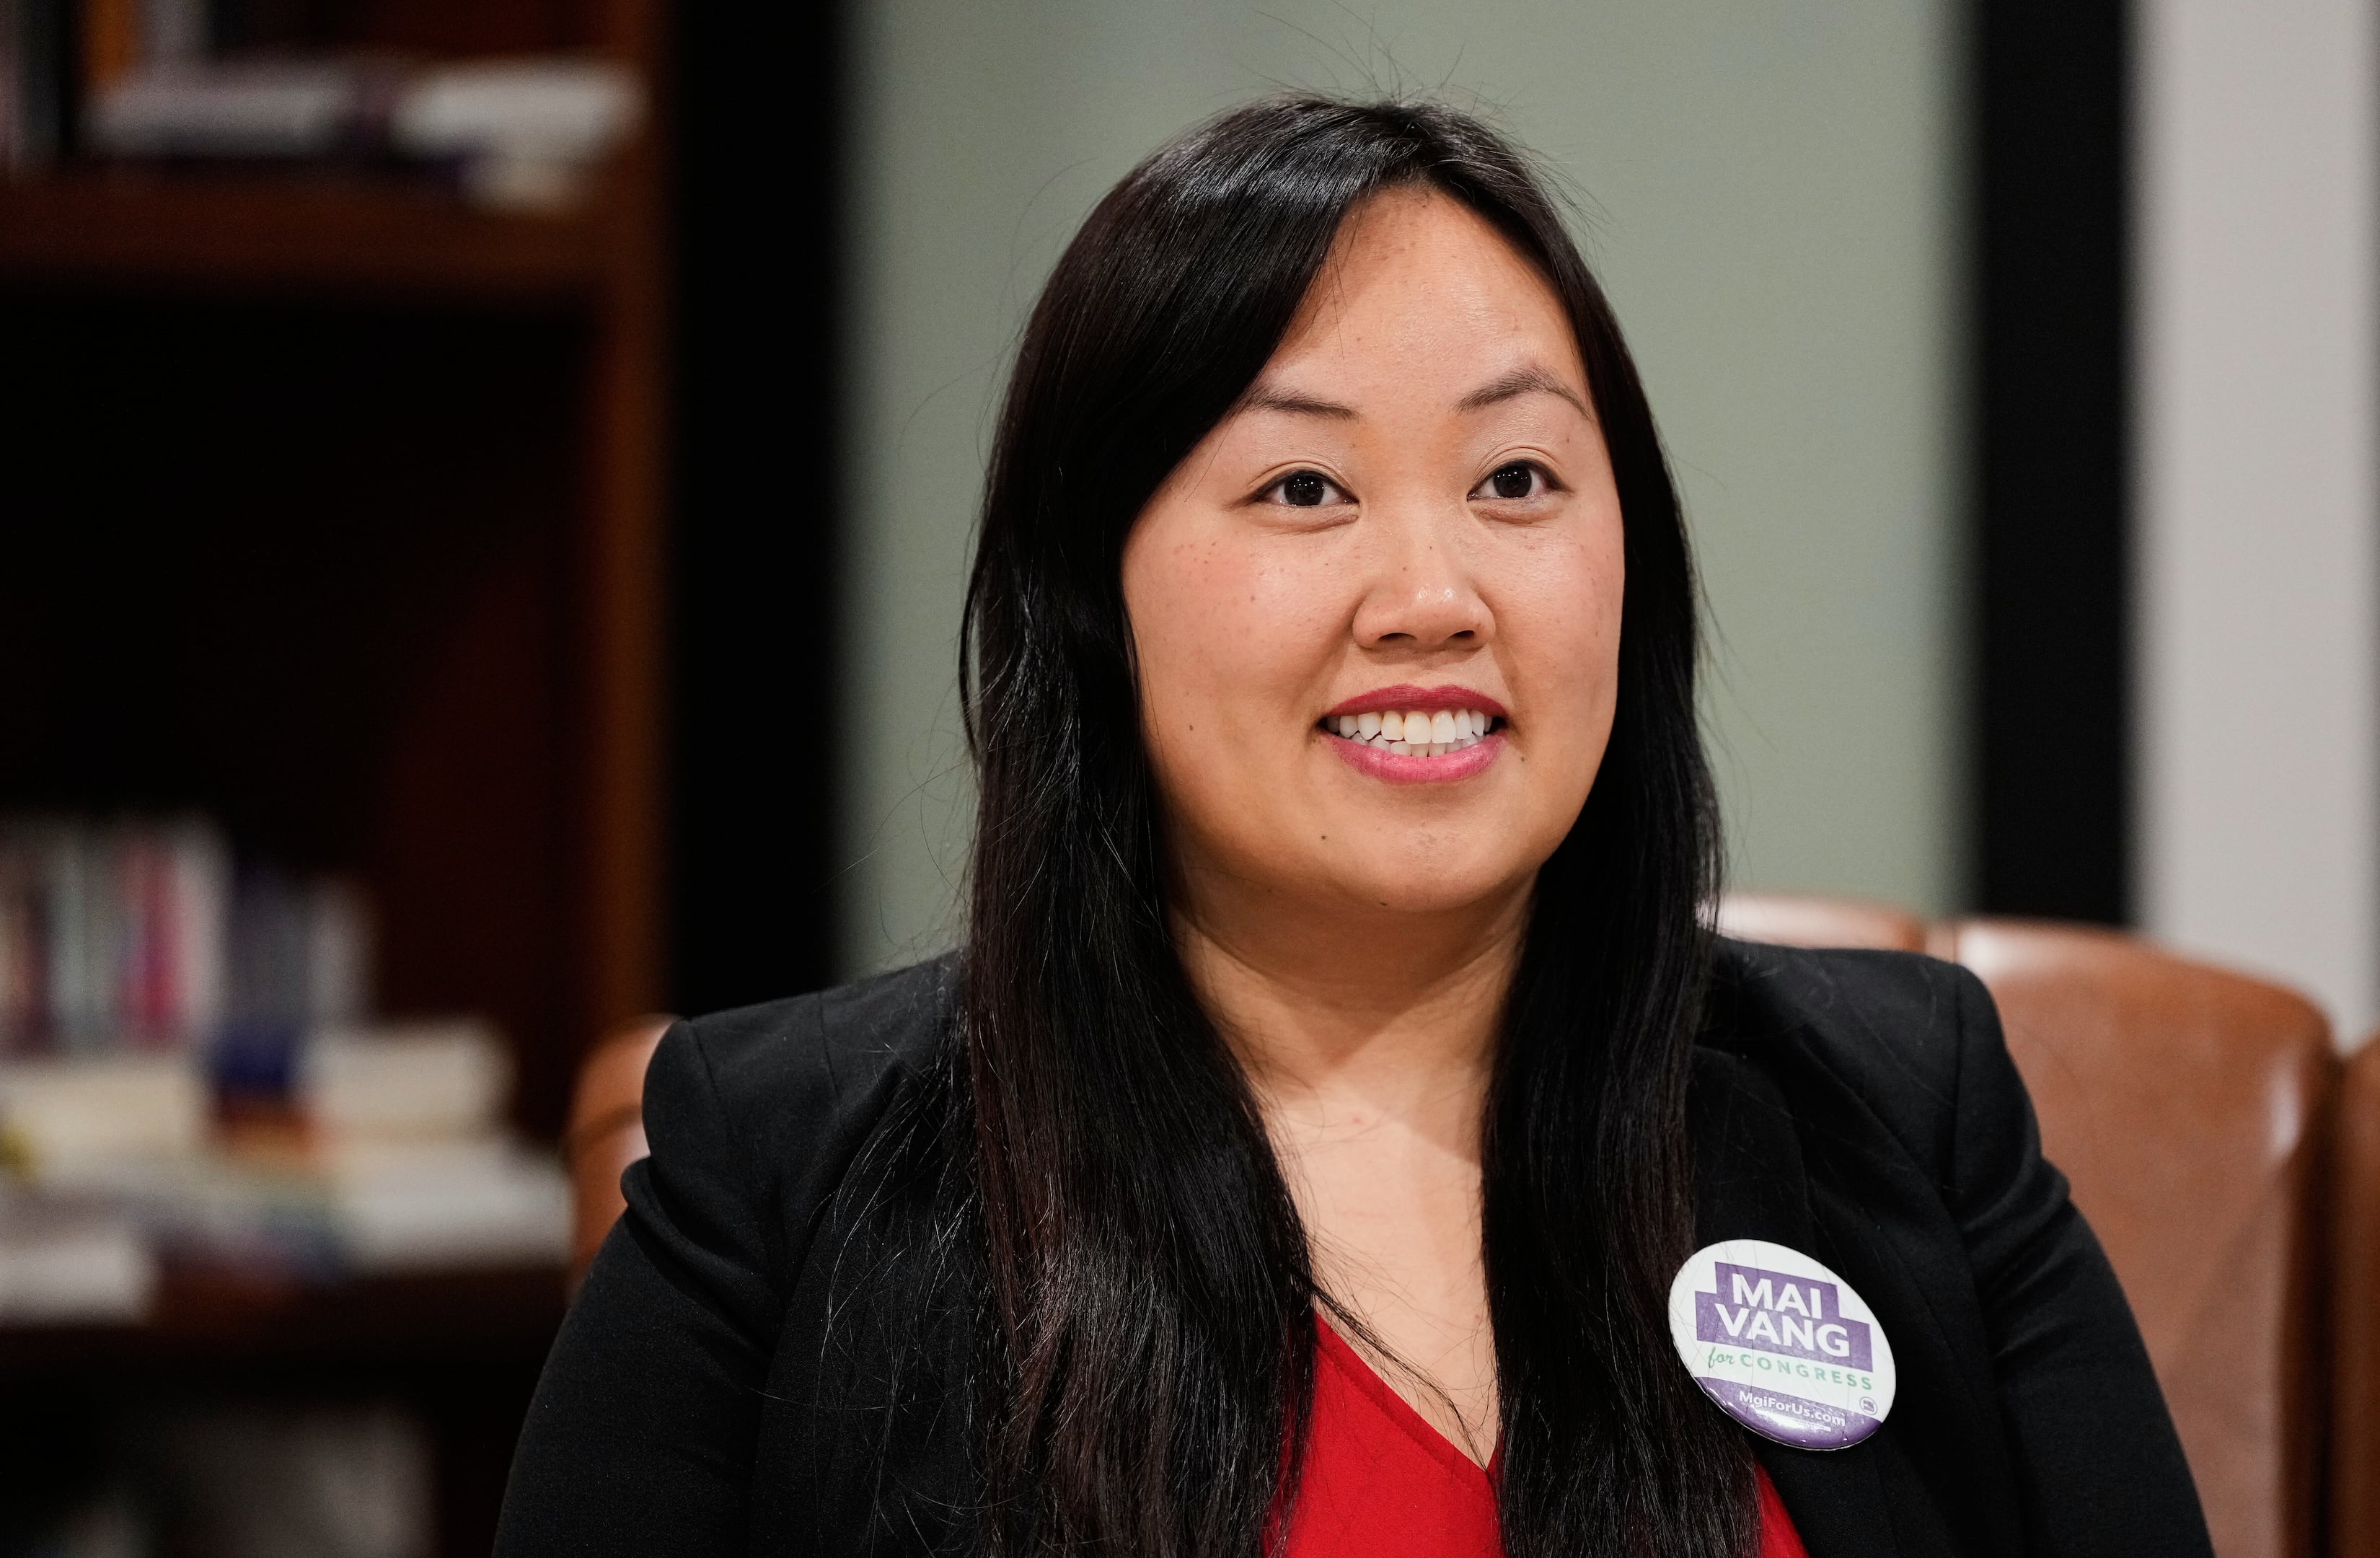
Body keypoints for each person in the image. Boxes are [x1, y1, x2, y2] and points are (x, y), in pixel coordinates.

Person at [496, 95, 2211, 1558]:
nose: (1432, 593)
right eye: (1302, 488)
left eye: (1518, 480)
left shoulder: (1905, 1120)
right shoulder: (782, 1182)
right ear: (1090, 599)